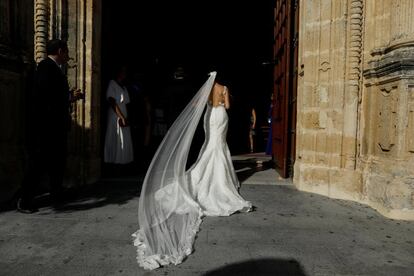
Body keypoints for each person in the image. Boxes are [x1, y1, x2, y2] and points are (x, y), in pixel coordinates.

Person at [132, 72, 252, 270]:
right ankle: (220, 180)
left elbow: (199, 106)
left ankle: (207, 174)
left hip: (210, 116)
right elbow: (228, 106)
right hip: (221, 115)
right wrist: (225, 99)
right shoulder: (224, 89)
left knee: (211, 145)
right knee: (219, 146)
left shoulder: (208, 90)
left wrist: (211, 104)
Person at [17, 39, 84, 213]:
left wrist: (68, 96)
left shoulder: (51, 68)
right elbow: (46, 98)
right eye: (67, 52)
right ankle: (24, 200)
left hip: (54, 127)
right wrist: (69, 97)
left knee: (57, 162)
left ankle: (56, 194)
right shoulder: (47, 67)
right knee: (38, 164)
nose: (68, 56)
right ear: (60, 51)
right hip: (46, 128)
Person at [104, 65, 134, 166]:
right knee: (116, 137)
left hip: (123, 113)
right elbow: (112, 101)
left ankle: (123, 161)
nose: (124, 73)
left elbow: (126, 103)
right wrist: (121, 117)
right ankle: (115, 162)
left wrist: (126, 117)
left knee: (124, 138)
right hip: (115, 114)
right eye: (123, 71)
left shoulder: (124, 87)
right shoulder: (112, 83)